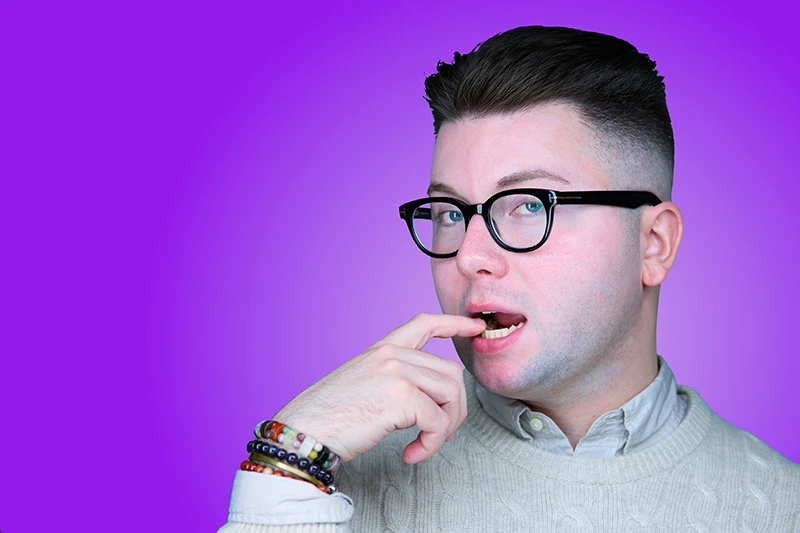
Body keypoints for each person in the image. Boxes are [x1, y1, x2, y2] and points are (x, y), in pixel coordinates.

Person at [217, 25, 800, 532]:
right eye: (449, 213)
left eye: (524, 205)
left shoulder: (780, 508)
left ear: (653, 244)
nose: (470, 255)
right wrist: (285, 468)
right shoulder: (330, 485)